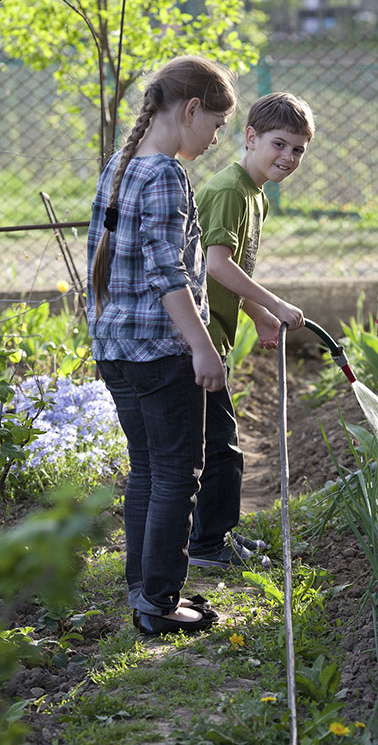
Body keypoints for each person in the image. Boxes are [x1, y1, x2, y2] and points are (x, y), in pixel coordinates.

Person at [86, 55, 237, 636]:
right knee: (178, 471)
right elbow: (167, 273)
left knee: (148, 468)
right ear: (191, 109)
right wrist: (202, 347)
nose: (216, 137)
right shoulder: (167, 175)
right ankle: (159, 601)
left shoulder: (120, 166)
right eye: (217, 125)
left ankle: (144, 587)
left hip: (116, 346)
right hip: (160, 348)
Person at [188, 91, 315, 569]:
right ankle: (206, 546)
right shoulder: (228, 191)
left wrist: (255, 313)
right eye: (279, 144)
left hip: (213, 331)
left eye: (298, 149)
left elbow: (222, 268)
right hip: (195, 335)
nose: (288, 157)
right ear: (250, 137)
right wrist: (274, 302)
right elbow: (216, 264)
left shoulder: (253, 195)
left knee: (217, 444)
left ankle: (213, 538)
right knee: (220, 448)